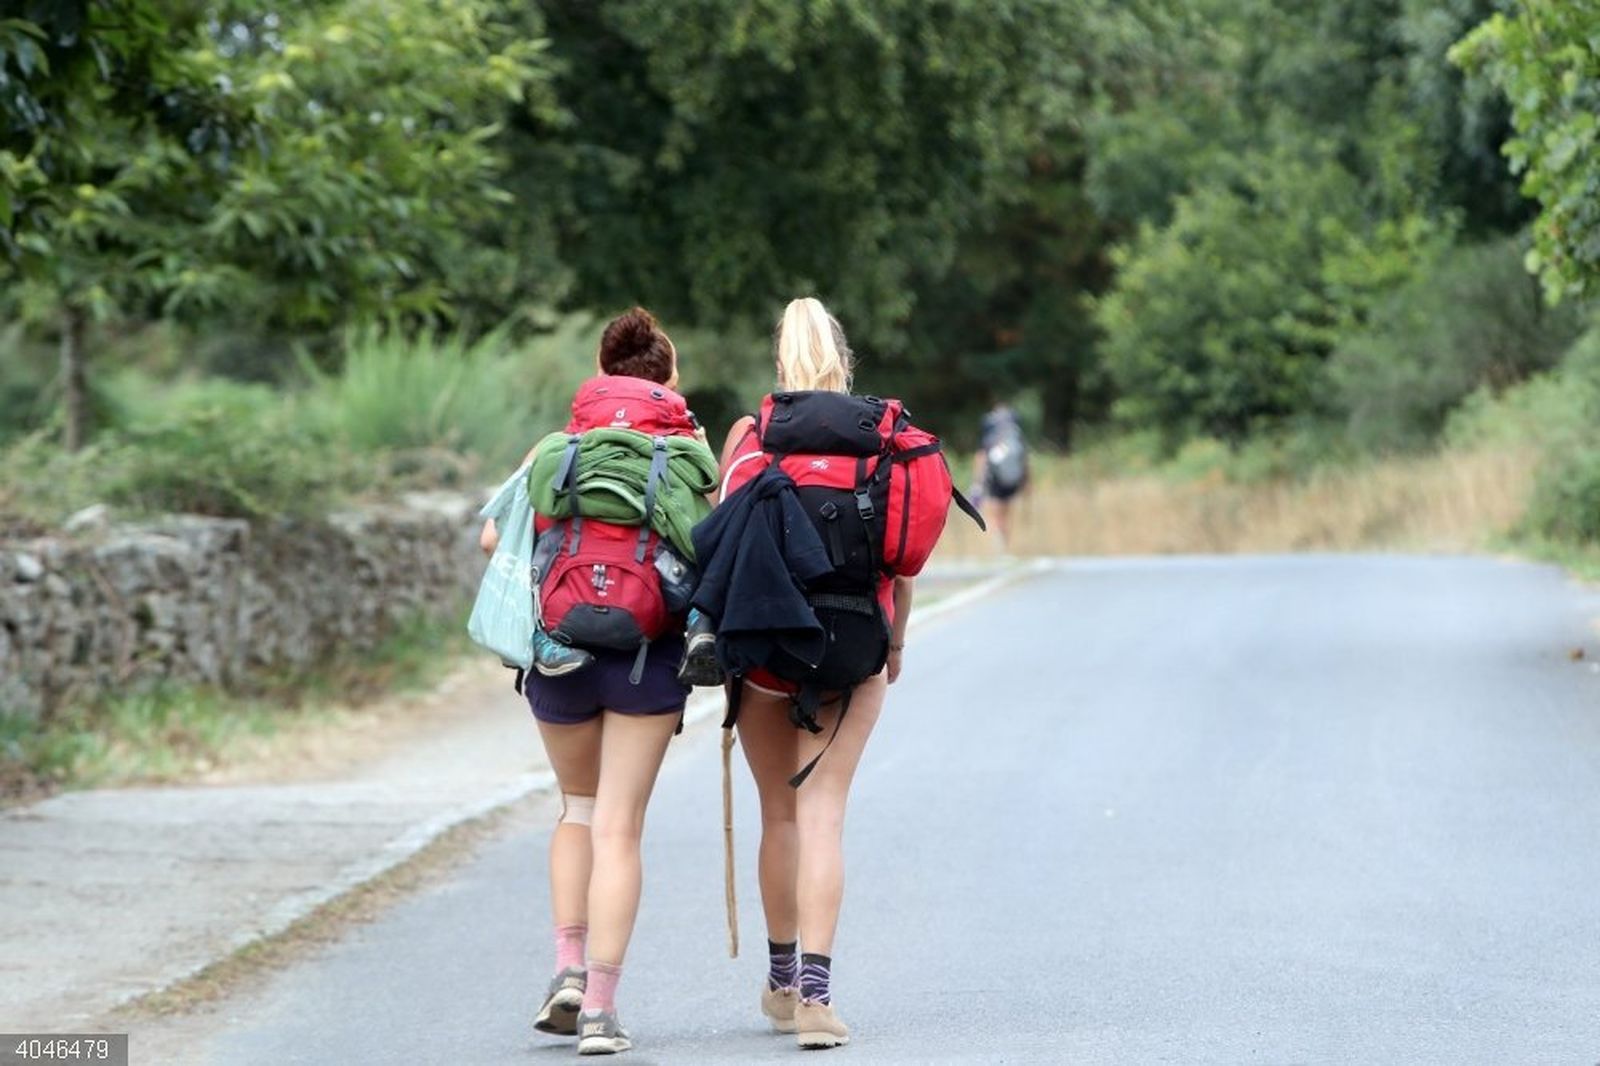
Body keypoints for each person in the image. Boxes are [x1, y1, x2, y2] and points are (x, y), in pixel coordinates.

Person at [478, 308, 715, 1056]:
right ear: (668, 379)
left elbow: (493, 536)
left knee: (577, 810)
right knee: (620, 828)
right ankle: (603, 1015)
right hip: (647, 659)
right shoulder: (685, 449)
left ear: (600, 371)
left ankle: (567, 973)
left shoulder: (559, 446)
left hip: (561, 653)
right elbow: (710, 544)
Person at [708, 298, 915, 1050]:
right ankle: (819, 1002)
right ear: (842, 357)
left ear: (780, 360)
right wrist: (893, 642)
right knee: (824, 812)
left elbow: (724, 540)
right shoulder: (880, 438)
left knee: (780, 815)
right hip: (856, 641)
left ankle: (782, 980)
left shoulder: (751, 436)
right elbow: (901, 555)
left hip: (767, 648)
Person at [971, 400, 1028, 552]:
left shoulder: (989, 430)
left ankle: (998, 547)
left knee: (995, 515)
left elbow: (981, 457)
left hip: (995, 478)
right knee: (1007, 515)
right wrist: (1026, 483)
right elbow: (1025, 459)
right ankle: (1005, 547)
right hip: (1012, 480)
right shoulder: (1015, 431)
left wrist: (977, 483)